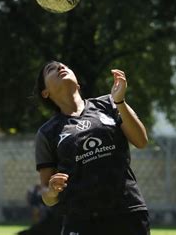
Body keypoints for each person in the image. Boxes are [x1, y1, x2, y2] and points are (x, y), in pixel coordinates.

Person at [33, 60, 150, 235]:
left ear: (78, 83)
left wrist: (120, 101)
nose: (60, 67)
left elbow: (141, 141)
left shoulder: (110, 103)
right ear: (45, 92)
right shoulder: (47, 133)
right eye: (51, 69)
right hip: (80, 221)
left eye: (64, 66)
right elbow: (46, 195)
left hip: (126, 212)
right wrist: (51, 191)